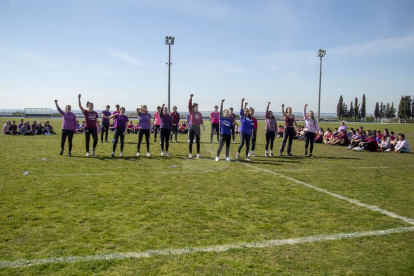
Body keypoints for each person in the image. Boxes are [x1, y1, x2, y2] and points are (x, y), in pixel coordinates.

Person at [188, 94, 205, 158]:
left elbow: (201, 120)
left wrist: (203, 126)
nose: (197, 108)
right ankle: (190, 153)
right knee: (191, 141)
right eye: (196, 107)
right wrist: (190, 98)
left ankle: (198, 153)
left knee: (198, 141)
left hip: (198, 128)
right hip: (192, 127)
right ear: (193, 107)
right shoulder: (191, 112)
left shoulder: (199, 113)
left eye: (197, 107)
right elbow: (189, 105)